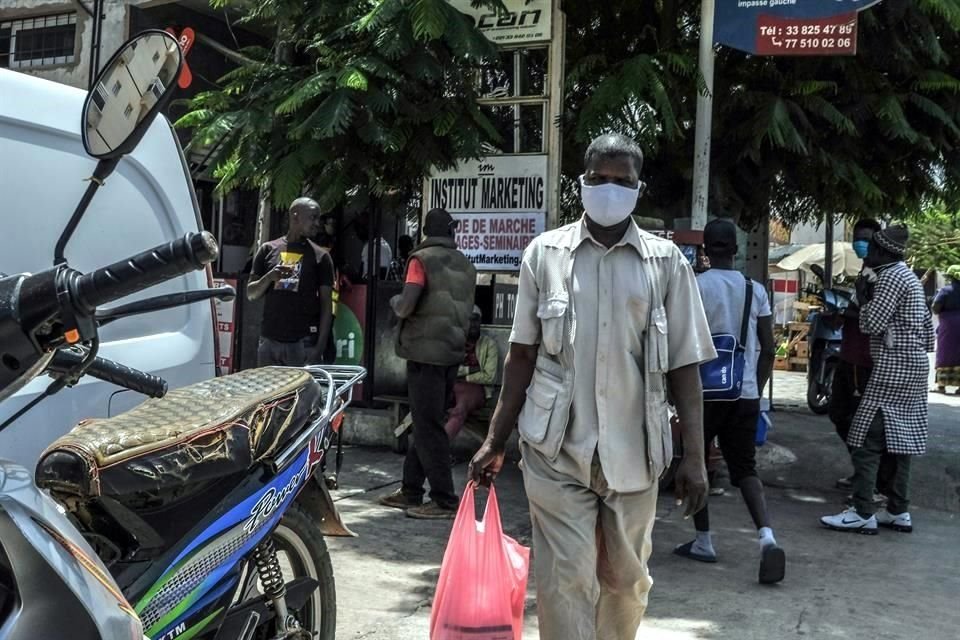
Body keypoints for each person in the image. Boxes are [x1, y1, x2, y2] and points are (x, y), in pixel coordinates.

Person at [469, 133, 716, 639]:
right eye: (598, 179)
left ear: (637, 188)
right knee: (567, 579)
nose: (609, 189)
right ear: (580, 184)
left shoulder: (666, 263)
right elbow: (522, 353)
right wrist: (496, 437)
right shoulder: (545, 254)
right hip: (555, 450)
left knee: (625, 582)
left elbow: (685, 366)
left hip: (636, 453)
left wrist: (695, 456)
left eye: (621, 181)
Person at [673, 219, 784, 584]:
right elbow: (768, 348)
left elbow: (679, 343)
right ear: (735, 249)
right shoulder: (755, 290)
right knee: (746, 470)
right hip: (744, 392)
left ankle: (703, 541)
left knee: (695, 461)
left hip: (700, 394)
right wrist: (755, 386)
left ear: (705, 248)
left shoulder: (694, 286)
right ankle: (767, 537)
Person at [821, 226, 935, 535]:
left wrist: (865, 296)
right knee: (901, 439)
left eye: (870, 249)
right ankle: (898, 510)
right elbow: (928, 330)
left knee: (866, 438)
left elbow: (872, 323)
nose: (866, 253)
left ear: (883, 252)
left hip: (892, 363)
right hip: (914, 365)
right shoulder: (909, 275)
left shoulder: (888, 278)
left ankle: (862, 511)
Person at [379, 208, 477, 520]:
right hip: (450, 353)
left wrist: (395, 302)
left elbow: (407, 305)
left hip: (424, 354)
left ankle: (444, 499)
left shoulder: (421, 260)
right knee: (425, 421)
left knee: (428, 426)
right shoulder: (465, 264)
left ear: (425, 229)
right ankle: (410, 490)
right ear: (452, 231)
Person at [830, 219, 897, 498]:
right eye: (857, 238)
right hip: (850, 354)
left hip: (866, 360)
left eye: (866, 239)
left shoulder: (882, 276)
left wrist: (847, 314)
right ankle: (865, 473)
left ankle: (876, 485)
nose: (861, 244)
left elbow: (877, 318)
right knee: (841, 414)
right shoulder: (864, 273)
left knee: (864, 423)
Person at [248, 197, 334, 366]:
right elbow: (251, 294)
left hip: (303, 343)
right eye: (313, 217)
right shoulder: (267, 249)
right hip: (269, 343)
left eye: (319, 218)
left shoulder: (321, 257)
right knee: (268, 393)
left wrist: (319, 348)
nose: (318, 223)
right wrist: (269, 277)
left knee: (299, 393)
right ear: (295, 217)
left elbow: (327, 306)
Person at [444, 306, 498, 441]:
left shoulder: (489, 344)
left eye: (476, 320)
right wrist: (472, 370)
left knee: (459, 412)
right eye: (469, 320)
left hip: (475, 389)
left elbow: (489, 376)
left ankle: (438, 452)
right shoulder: (455, 343)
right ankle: (422, 451)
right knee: (430, 407)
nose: (473, 325)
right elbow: (446, 369)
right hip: (450, 385)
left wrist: (464, 375)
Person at [932, 265, 960, 394]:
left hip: (948, 325)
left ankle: (941, 386)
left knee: (945, 352)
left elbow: (936, 307)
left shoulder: (945, 290)